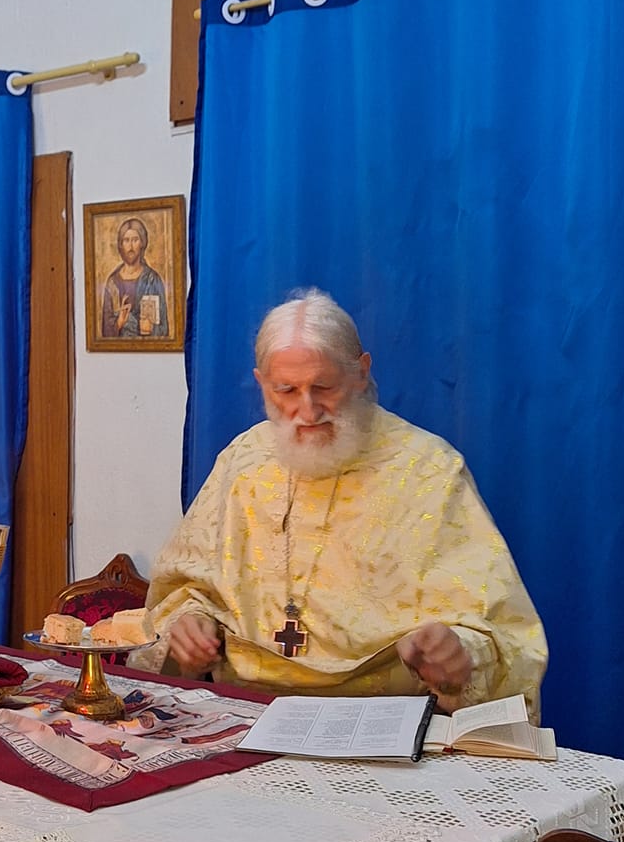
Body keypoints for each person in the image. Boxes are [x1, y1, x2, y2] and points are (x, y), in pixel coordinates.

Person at [146, 289, 547, 709]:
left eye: (324, 386)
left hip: (382, 717)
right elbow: (185, 588)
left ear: (361, 372)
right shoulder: (242, 462)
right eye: (286, 390)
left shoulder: (428, 470)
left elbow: (500, 629)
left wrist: (458, 652)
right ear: (262, 383)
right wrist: (189, 624)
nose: (308, 409)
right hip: (244, 709)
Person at [101, 217, 169, 340]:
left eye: (135, 240)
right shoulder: (112, 282)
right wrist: (119, 322)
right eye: (126, 240)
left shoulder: (152, 279)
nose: (130, 246)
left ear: (142, 243)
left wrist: (151, 328)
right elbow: (105, 331)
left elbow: (163, 326)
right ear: (120, 245)